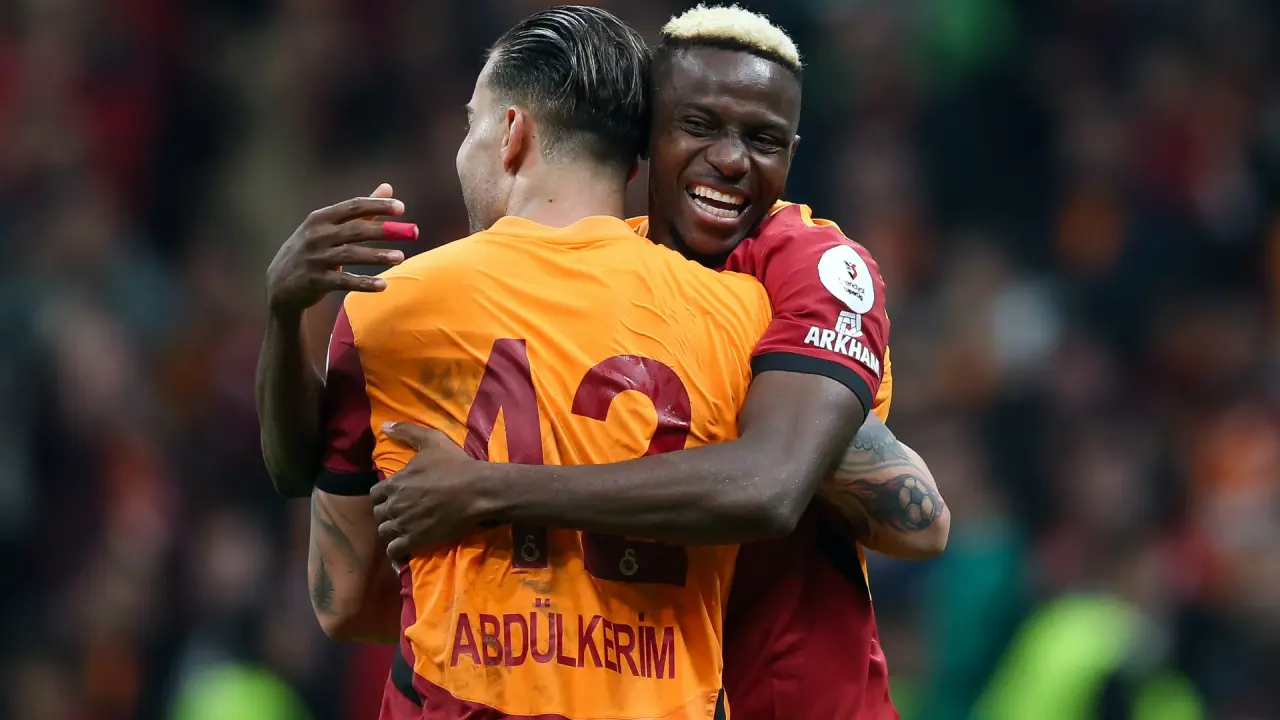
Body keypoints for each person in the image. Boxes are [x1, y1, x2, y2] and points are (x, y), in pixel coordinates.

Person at [256, 5, 948, 719]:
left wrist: (488, 512)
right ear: (645, 140)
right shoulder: (743, 316)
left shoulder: (800, 274)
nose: (730, 159)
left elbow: (343, 597)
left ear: (512, 134)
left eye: (762, 139)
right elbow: (912, 517)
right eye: (700, 126)